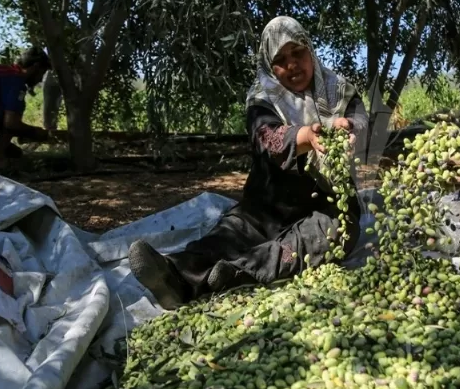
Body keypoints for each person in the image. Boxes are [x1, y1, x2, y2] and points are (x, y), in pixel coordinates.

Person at [128, 16, 368, 309]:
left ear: (310, 49)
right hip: (268, 206)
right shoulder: (263, 98)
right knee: (230, 235)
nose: (292, 64)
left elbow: (360, 122)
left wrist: (350, 130)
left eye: (297, 52)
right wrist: (307, 135)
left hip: (327, 207)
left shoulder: (339, 90)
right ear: (269, 65)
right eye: (280, 59)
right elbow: (267, 138)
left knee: (336, 232)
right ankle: (174, 274)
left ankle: (238, 274)